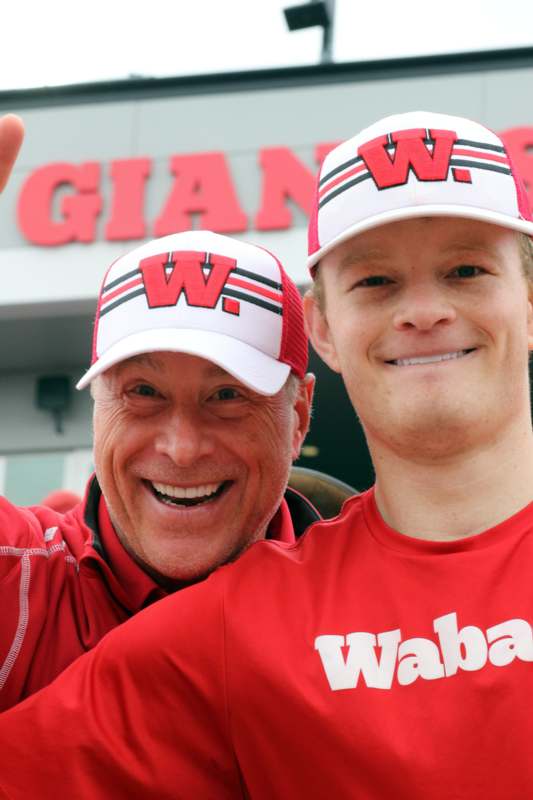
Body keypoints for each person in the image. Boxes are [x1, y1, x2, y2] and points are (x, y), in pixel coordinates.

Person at [1, 110, 532, 800]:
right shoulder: (229, 631)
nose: (423, 310)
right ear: (326, 328)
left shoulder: (245, 615)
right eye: (375, 280)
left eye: (465, 269)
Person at [0, 114, 319, 712]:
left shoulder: (379, 608)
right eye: (143, 392)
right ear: (96, 407)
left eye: (227, 395)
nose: (181, 446)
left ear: (298, 415)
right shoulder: (17, 583)